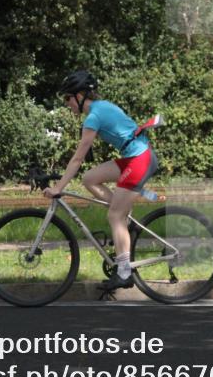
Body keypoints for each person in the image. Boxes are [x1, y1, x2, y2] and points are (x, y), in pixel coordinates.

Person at [44, 70, 159, 291]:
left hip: (139, 159)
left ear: (80, 95)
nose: (67, 103)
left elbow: (78, 158)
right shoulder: (100, 107)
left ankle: (124, 272)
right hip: (135, 156)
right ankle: (125, 218)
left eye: (68, 98)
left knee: (114, 215)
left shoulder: (93, 116)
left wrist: (58, 188)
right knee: (90, 178)